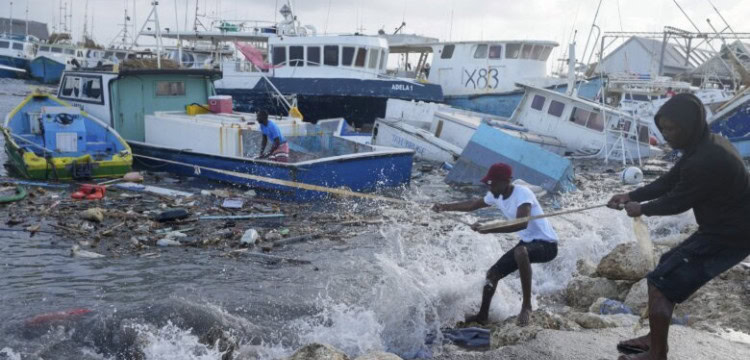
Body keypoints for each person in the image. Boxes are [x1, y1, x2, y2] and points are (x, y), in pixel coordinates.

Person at [607, 93, 750, 360]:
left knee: (661, 282)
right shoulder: (703, 145)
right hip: (722, 229)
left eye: (671, 129)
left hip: (731, 235)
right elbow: (669, 181)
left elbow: (677, 201)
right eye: (663, 129)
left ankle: (657, 355)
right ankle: (654, 338)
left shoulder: (707, 158)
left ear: (689, 125)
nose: (666, 135)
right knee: (665, 264)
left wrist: (642, 209)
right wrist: (631, 195)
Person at [433, 163, 559, 326]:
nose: (489, 187)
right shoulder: (496, 195)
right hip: (528, 244)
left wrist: (489, 228)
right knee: (492, 274)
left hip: (547, 245)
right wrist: (443, 207)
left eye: (492, 184)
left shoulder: (523, 193)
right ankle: (482, 316)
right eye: (488, 184)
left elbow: (521, 223)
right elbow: (472, 205)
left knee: (520, 251)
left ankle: (526, 306)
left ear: (506, 181)